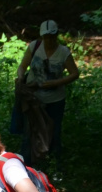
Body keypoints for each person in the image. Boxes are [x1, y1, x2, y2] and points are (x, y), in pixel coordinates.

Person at [15, 20, 79, 169]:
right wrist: (20, 77)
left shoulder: (63, 52)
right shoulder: (35, 47)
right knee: (29, 132)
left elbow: (74, 73)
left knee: (54, 133)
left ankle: (55, 166)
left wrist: (57, 82)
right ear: (41, 36)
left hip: (55, 100)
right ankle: (27, 167)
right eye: (46, 37)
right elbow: (22, 67)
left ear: (56, 36)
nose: (49, 40)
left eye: (52, 37)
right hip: (33, 99)